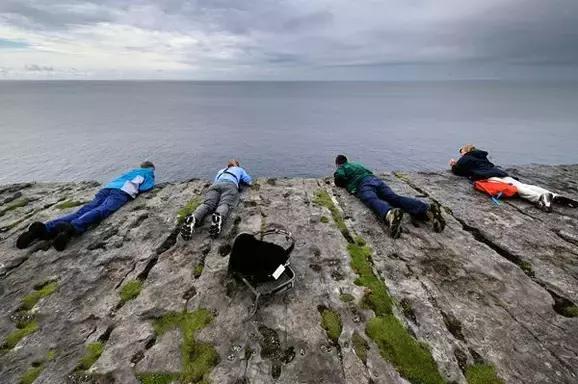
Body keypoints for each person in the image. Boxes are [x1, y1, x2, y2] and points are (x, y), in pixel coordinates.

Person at [16, 161, 156, 251]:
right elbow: (146, 187)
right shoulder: (148, 173)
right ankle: (72, 228)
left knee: (82, 210)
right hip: (121, 192)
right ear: (151, 168)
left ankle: (43, 229)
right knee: (102, 210)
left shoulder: (131, 171)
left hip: (107, 188)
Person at [334, 155, 445, 238]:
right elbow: (368, 171)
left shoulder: (342, 167)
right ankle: (426, 209)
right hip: (376, 180)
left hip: (362, 185)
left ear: (338, 163)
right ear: (347, 160)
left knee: (372, 199)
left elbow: (339, 177)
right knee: (394, 198)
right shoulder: (357, 164)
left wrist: (340, 180)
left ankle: (389, 214)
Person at [450, 144, 577, 212]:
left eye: (461, 151)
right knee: (523, 185)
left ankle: (539, 198)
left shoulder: (467, 157)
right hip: (500, 173)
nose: (460, 153)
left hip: (488, 177)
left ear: (465, 151)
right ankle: (553, 195)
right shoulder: (481, 157)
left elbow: (459, 171)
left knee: (516, 189)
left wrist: (453, 165)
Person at [181, 159, 252, 239]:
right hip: (230, 185)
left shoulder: (221, 171)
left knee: (207, 204)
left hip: (215, 186)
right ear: (237, 165)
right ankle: (218, 216)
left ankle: (194, 217)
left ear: (228, 166)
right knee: (225, 203)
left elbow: (216, 181)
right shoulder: (239, 169)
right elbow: (248, 180)